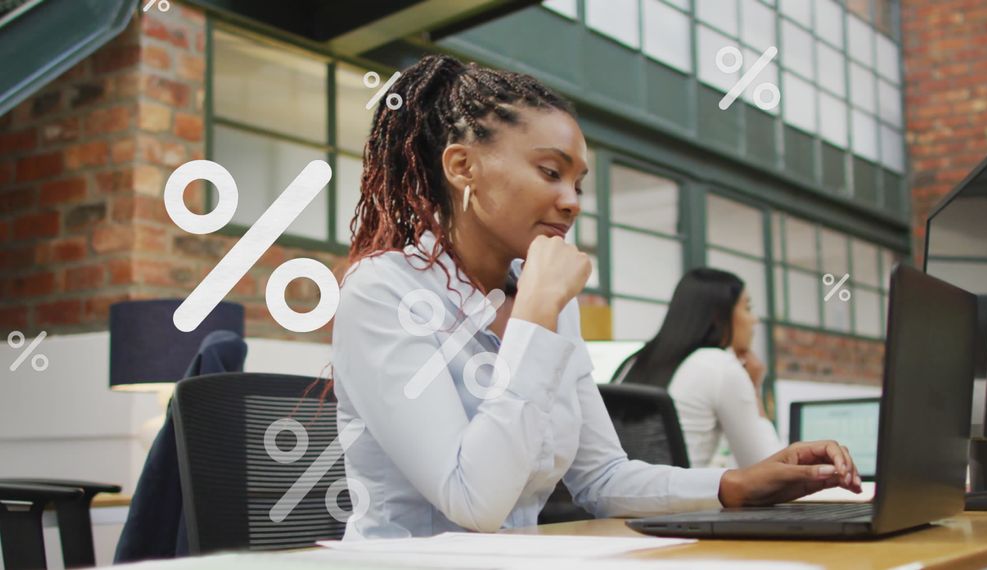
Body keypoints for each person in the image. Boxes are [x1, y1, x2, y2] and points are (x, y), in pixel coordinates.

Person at [330, 54, 861, 539]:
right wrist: (536, 312)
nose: (572, 202)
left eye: (579, 184)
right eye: (550, 172)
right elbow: (474, 501)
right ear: (463, 167)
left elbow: (602, 477)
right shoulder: (383, 291)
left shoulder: (548, 300)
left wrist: (734, 485)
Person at [614, 269, 783, 469]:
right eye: (747, 308)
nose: (754, 320)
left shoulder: (634, 362)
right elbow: (766, 467)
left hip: (626, 488)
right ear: (720, 315)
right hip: (679, 489)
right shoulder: (719, 365)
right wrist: (753, 391)